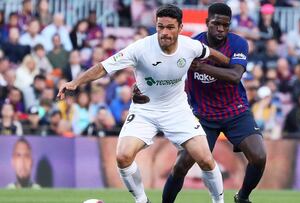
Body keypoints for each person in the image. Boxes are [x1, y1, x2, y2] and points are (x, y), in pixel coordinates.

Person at [57, 4, 228, 203]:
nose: (164, 32)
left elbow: (211, 53)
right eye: (160, 27)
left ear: (180, 28)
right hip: (145, 110)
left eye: (170, 27)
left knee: (206, 160)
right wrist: (75, 82)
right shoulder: (141, 48)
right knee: (123, 156)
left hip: (177, 111)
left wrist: (230, 63)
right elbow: (104, 67)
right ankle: (142, 200)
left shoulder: (190, 46)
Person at [133, 3, 266, 203]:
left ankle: (242, 197)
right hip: (203, 117)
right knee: (180, 166)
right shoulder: (190, 45)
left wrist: (202, 67)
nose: (221, 29)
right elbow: (165, 73)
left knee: (259, 156)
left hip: (235, 111)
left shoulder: (238, 44)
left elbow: (235, 75)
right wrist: (143, 88)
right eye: (216, 24)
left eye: (225, 25)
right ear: (207, 23)